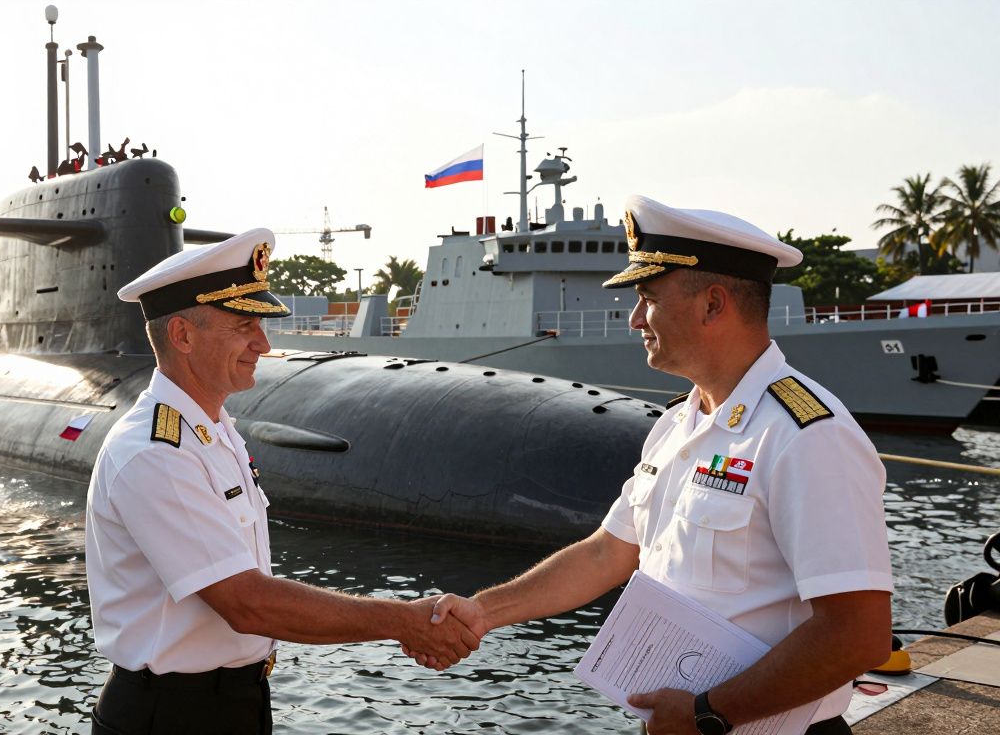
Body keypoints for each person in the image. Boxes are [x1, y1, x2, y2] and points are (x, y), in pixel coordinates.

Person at [410, 196, 893, 735]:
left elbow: (858, 633)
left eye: (648, 299)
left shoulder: (805, 435)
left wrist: (710, 713)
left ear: (713, 305)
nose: (636, 318)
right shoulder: (678, 425)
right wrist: (484, 611)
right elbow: (608, 552)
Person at [85, 228, 479, 735]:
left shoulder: (213, 432)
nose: (264, 344)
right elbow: (246, 603)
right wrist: (405, 621)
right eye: (244, 324)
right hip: (169, 717)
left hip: (235, 705)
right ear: (183, 335)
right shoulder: (154, 452)